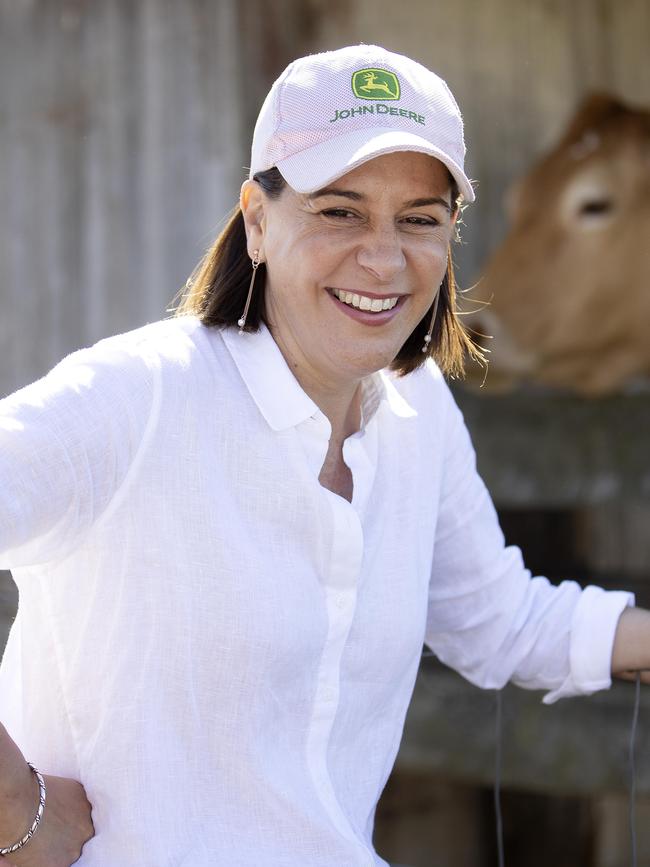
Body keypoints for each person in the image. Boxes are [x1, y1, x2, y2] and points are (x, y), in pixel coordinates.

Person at [0, 43, 648, 867]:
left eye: (419, 218)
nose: (383, 258)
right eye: (339, 211)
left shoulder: (417, 410)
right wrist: (19, 812)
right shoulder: (140, 396)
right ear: (259, 219)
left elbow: (500, 619)